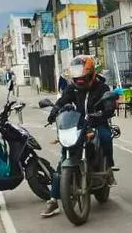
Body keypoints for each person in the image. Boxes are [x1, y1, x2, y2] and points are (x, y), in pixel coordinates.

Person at [41, 55, 117, 217]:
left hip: (97, 122)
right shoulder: (72, 88)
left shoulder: (102, 88)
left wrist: (105, 111)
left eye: (84, 78)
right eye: (78, 79)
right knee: (63, 159)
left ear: (91, 75)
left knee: (105, 136)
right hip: (77, 124)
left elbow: (110, 106)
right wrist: (54, 111)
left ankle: (108, 168)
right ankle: (53, 200)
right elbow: (62, 101)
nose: (80, 81)